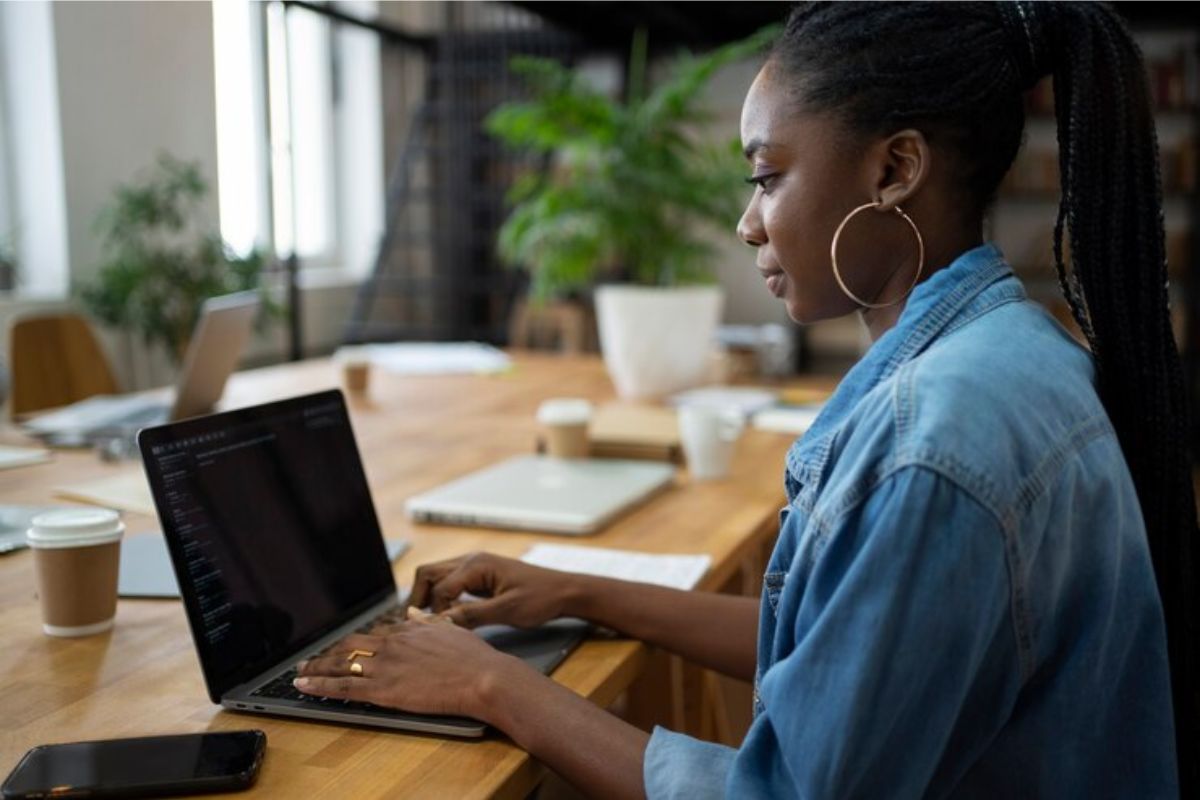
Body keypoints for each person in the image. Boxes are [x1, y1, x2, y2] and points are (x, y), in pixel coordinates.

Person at [294, 2, 1197, 796]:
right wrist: (579, 590)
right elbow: (840, 648)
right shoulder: (1007, 346)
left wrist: (488, 684)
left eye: (767, 176)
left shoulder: (937, 441)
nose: (748, 220)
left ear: (894, 171)